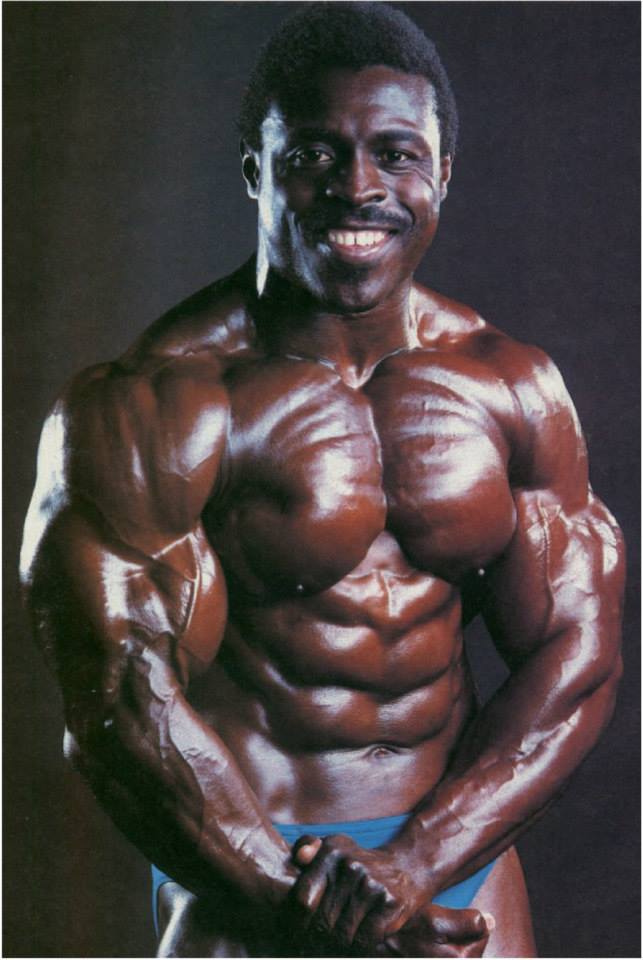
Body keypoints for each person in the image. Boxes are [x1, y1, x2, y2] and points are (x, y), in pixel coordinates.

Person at [20, 4, 625, 957]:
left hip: (452, 849)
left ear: (442, 174)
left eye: (396, 155)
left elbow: (573, 660)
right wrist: (306, 902)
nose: (358, 187)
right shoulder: (157, 402)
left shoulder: (511, 388)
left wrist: (417, 863)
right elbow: (117, 700)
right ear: (255, 169)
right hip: (242, 858)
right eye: (312, 155)